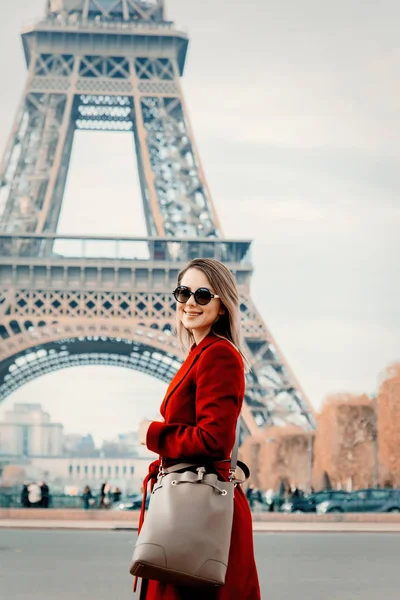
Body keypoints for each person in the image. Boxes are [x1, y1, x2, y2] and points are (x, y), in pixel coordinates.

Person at [137, 258, 261, 600]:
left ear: (222, 306)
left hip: (197, 513)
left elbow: (214, 439)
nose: (190, 302)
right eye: (183, 292)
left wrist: (153, 433)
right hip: (189, 508)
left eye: (203, 295)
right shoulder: (200, 352)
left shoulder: (219, 355)